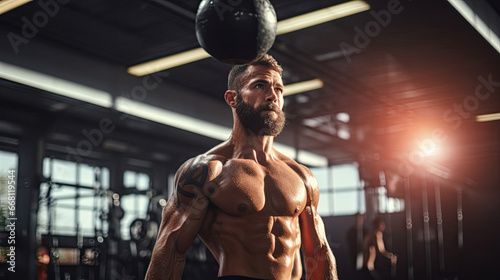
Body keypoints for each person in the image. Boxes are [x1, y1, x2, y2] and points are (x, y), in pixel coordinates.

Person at [145, 54, 338, 280]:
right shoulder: (207, 172)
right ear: (232, 98)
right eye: (260, 86)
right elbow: (170, 251)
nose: (272, 96)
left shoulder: (301, 175)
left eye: (279, 89)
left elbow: (318, 253)